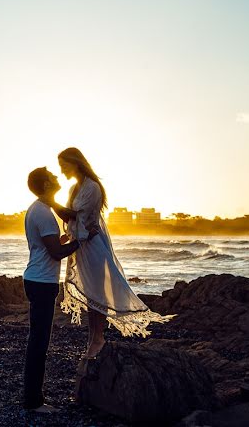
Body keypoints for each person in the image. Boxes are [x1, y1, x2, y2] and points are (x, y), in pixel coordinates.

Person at [52, 147, 172, 359]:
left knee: (96, 292)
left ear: (75, 162)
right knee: (90, 294)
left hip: (93, 247)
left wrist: (50, 202)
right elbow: (71, 220)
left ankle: (98, 338)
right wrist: (67, 233)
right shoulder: (74, 189)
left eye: (64, 165)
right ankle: (93, 338)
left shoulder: (93, 187)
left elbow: (80, 216)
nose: (61, 171)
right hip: (80, 246)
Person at [21, 167, 80, 413]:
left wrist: (66, 239)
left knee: (37, 340)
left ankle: (32, 397)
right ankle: (34, 402)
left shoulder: (38, 209)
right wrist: (83, 240)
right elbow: (55, 253)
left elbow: (50, 245)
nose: (57, 178)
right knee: (39, 342)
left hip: (37, 280)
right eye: (53, 177)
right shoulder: (43, 213)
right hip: (42, 283)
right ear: (45, 184)